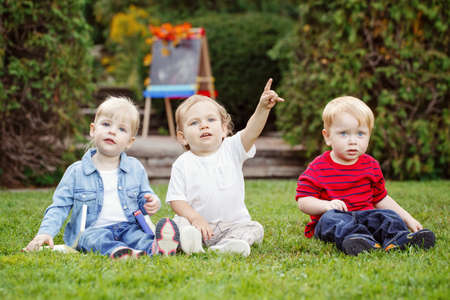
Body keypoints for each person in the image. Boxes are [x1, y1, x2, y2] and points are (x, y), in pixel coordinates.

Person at [25, 96, 180, 259]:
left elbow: (143, 196)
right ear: (93, 129)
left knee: (139, 237)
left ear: (129, 141)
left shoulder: (135, 168)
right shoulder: (76, 172)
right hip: (92, 231)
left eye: (122, 129)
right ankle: (119, 251)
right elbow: (59, 206)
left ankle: (157, 247)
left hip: (128, 227)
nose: (112, 131)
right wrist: (45, 232)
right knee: (93, 239)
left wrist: (151, 202)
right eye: (106, 124)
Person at [296, 96, 435, 256]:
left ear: (369, 135)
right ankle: (357, 240)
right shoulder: (318, 167)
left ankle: (399, 239)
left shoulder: (371, 165)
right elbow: (303, 201)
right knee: (331, 219)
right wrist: (327, 206)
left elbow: (381, 199)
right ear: (327, 136)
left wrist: (407, 218)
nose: (353, 141)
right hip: (334, 219)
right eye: (344, 134)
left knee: (387, 216)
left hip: (366, 216)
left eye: (360, 134)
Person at [166, 79, 284, 257]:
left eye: (210, 120)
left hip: (231, 225)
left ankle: (227, 246)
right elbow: (177, 200)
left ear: (223, 129)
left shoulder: (232, 149)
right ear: (183, 138)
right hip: (196, 225)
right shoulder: (182, 163)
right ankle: (190, 241)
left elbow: (251, 131)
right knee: (179, 223)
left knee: (254, 228)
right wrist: (195, 218)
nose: (204, 125)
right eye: (194, 123)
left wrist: (263, 108)